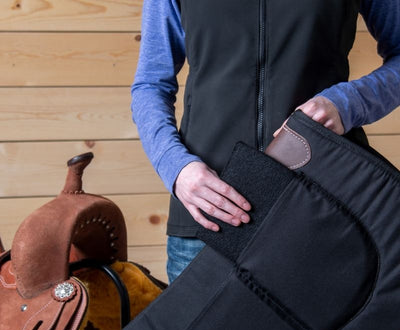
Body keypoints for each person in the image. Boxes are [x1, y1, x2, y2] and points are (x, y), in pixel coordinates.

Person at [131, 0, 400, 283]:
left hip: (325, 207)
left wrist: (347, 103)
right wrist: (175, 166)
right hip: (208, 214)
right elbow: (150, 83)